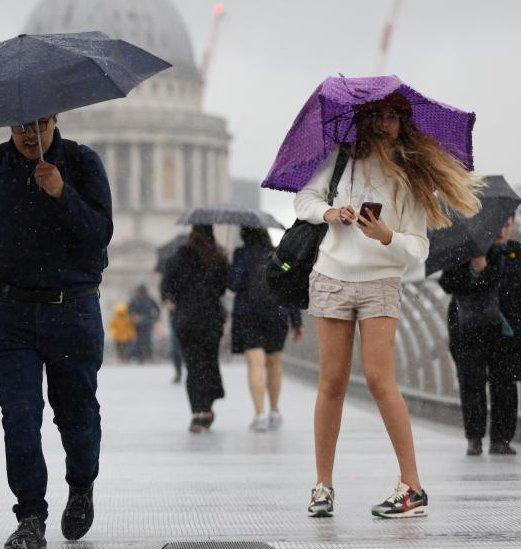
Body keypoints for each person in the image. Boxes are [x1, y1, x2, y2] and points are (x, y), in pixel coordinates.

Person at [293, 92, 482, 519]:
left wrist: (385, 236)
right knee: (333, 382)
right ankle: (322, 486)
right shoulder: (341, 159)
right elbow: (303, 200)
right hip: (331, 277)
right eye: (377, 114)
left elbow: (417, 248)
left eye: (393, 116)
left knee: (380, 379)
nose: (385, 123)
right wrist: (329, 212)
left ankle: (411, 486)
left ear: (404, 122)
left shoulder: (409, 176)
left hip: (380, 281)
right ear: (363, 119)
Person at [0, 114, 113, 548]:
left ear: (55, 119)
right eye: (19, 124)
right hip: (10, 313)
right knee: (20, 416)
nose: (30, 133)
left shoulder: (83, 164)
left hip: (73, 309)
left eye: (39, 124)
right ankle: (30, 516)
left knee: (77, 414)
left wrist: (62, 193)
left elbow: (99, 235)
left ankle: (81, 487)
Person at [438, 217, 521, 456]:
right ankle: (474, 438)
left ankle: (501, 439)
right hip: (469, 329)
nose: (502, 230)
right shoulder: (466, 250)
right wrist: (475, 269)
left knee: (504, 382)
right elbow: (449, 283)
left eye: (507, 224)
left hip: (505, 332)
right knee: (471, 382)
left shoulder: (515, 251)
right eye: (497, 224)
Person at [228, 226, 303, 432]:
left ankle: (259, 414)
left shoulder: (241, 254)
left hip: (249, 314)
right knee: (274, 363)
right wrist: (296, 322)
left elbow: (233, 285)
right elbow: (290, 286)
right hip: (276, 313)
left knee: (255, 364)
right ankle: (275, 410)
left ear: (244, 234)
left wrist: (234, 264)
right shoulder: (279, 255)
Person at [161, 224, 229, 433]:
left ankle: (197, 412)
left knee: (192, 365)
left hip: (186, 319)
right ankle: (207, 408)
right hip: (210, 319)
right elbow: (222, 288)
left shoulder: (178, 257)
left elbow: (166, 284)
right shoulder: (217, 257)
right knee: (208, 362)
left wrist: (170, 300)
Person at [128, 285, 161, 362]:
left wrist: (155, 319)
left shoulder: (149, 300)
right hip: (137, 325)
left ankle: (149, 356)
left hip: (147, 323)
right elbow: (130, 310)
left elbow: (157, 309)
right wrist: (134, 316)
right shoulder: (135, 300)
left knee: (147, 340)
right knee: (138, 341)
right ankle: (140, 357)